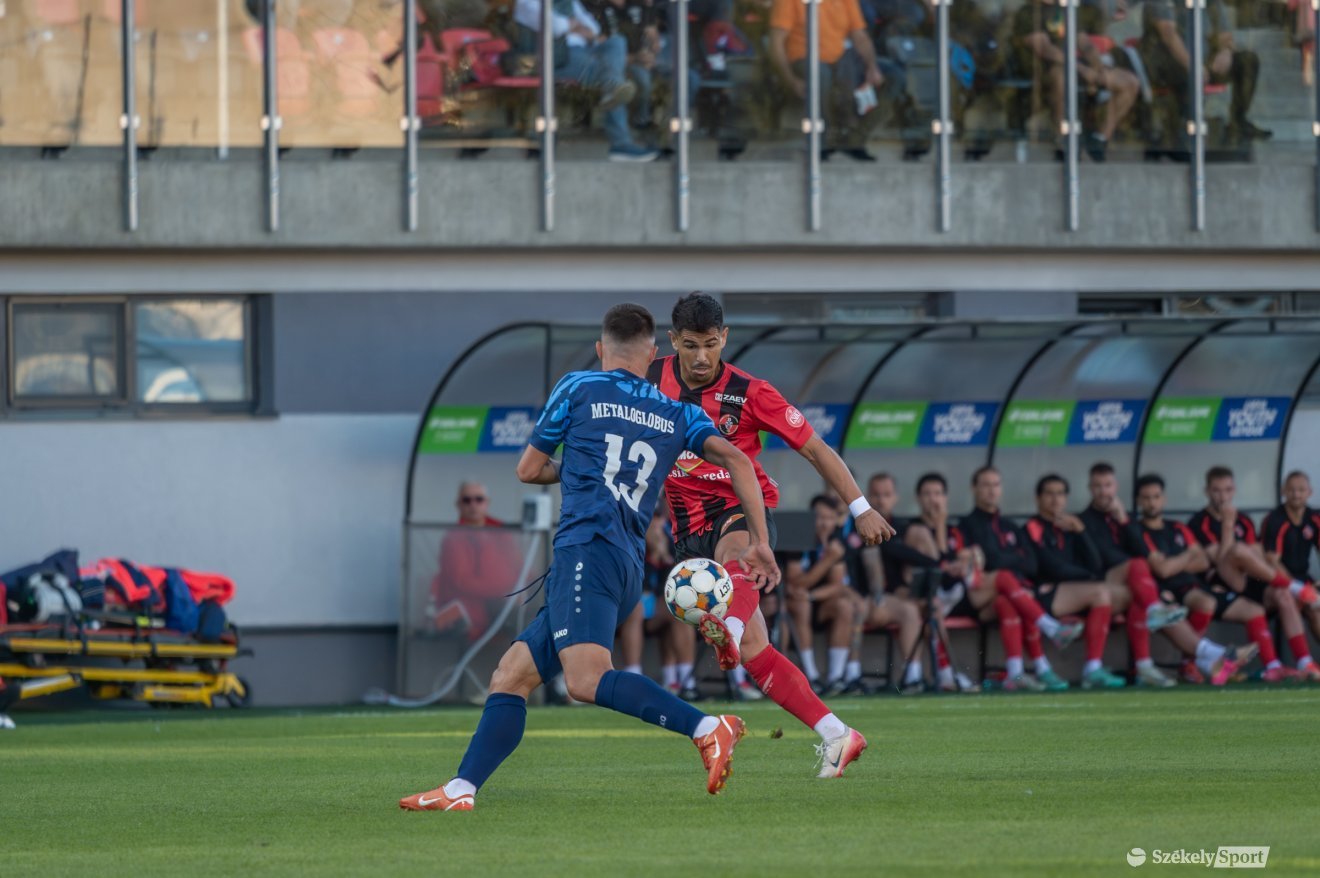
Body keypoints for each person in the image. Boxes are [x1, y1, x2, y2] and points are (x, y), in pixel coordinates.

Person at [400, 303, 779, 811]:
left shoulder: (578, 387)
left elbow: (527, 470)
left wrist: (578, 465)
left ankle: (708, 727)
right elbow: (738, 461)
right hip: (625, 565)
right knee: (511, 675)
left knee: (585, 680)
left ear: (601, 349)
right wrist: (759, 540)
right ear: (653, 353)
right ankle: (461, 789)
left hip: (586, 549)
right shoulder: (679, 411)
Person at [648, 292, 889, 779]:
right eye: (690, 345)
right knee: (757, 656)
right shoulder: (649, 379)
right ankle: (838, 735)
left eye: (710, 344)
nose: (701, 357)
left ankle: (730, 630)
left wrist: (860, 507)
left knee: (738, 556)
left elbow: (815, 448)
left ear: (725, 338)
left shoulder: (750, 392)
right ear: (672, 341)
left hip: (742, 511)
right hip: (687, 527)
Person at [903, 472, 1045, 693]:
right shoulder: (914, 529)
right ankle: (946, 675)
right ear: (918, 498)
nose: (933, 499)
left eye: (938, 494)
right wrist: (941, 532)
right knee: (936, 608)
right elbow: (938, 564)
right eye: (927, 494)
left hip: (959, 594)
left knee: (1005, 599)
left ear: (946, 498)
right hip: (932, 596)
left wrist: (966, 561)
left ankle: (1018, 672)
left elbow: (960, 564)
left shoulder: (955, 531)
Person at [958, 466, 1084, 691]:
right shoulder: (966, 525)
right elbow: (985, 562)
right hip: (979, 598)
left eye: (996, 484)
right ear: (974, 488)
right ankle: (1049, 631)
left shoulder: (1010, 526)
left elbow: (1031, 565)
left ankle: (1017, 674)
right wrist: (1010, 559)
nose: (991, 490)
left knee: (1008, 600)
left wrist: (999, 559)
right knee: (1006, 578)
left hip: (1008, 597)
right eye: (985, 485)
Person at [1188, 466, 1319, 681]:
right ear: (1207, 492)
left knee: (1283, 596)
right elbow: (1219, 561)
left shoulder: (1244, 520)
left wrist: (1249, 557)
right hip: (1222, 582)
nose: (1223, 496)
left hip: (1251, 579)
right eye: (1217, 490)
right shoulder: (1199, 522)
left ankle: (1302, 662)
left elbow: (1258, 555)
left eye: (1228, 490)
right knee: (1239, 550)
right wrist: (1227, 526)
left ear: (1234, 490)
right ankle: (1295, 586)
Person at [1133, 473, 1261, 684]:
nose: (1152, 502)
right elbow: (1162, 571)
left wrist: (1175, 562)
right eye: (1146, 498)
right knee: (1181, 608)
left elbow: (1202, 561)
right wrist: (1187, 555)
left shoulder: (1177, 527)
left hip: (1192, 585)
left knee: (1241, 607)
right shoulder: (1137, 530)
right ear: (1138, 500)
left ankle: (1268, 666)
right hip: (1162, 591)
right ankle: (1211, 659)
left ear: (1164, 498)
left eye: (1156, 496)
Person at [1080, 462, 1198, 688]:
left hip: (1132, 585)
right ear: (1090, 488)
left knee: (1141, 595)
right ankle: (1207, 653)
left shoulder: (1126, 518)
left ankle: (1145, 667)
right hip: (1103, 582)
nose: (1103, 491)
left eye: (1107, 485)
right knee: (1137, 567)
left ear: (1115, 487)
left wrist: (1124, 520)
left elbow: (1144, 549)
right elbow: (1102, 558)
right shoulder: (1085, 520)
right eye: (1097, 486)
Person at [513, 0, 661, 161]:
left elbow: (594, 28)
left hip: (586, 53)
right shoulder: (527, 2)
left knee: (617, 42)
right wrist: (574, 26)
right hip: (556, 60)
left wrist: (577, 28)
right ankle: (621, 143)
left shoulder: (569, 2)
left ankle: (613, 88)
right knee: (612, 76)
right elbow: (555, 26)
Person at [1023, 474, 1127, 689]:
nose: (1055, 499)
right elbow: (1051, 566)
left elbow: (1096, 564)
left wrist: (1081, 531)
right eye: (1049, 494)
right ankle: (1092, 668)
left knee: (1125, 595)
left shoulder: (1070, 526)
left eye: (1060, 494)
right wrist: (1090, 578)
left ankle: (1101, 667)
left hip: (1074, 592)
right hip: (1043, 595)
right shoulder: (1033, 526)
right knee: (1100, 592)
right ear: (1038, 498)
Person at [1011, 0, 1139, 161]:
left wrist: (1098, 69)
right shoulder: (1028, 12)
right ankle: (1062, 139)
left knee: (1129, 82)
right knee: (1061, 78)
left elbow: (1085, 44)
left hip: (1077, 67)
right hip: (1045, 70)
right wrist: (1082, 69)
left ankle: (1100, 139)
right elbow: (1045, 49)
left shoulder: (1066, 9)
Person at [767, 0, 893, 161]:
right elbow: (776, 43)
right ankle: (821, 144)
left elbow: (859, 36)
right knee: (821, 75)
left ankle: (855, 138)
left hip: (841, 60)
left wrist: (872, 67)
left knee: (893, 76)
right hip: (804, 60)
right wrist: (790, 80)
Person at [1139, 0, 1271, 146]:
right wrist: (1193, 66)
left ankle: (1238, 122)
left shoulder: (1210, 2)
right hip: (1167, 63)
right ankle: (1182, 129)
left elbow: (1224, 33)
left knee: (1247, 61)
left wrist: (1225, 51)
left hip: (1204, 63)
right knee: (1186, 74)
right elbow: (1168, 35)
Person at [616, 500, 702, 699]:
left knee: (679, 609)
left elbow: (674, 576)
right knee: (636, 608)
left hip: (653, 604)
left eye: (658, 519)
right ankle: (634, 679)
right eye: (652, 519)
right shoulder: (630, 533)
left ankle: (684, 682)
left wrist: (662, 553)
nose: (655, 524)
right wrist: (650, 550)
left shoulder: (671, 534)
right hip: (626, 604)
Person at [429, 482, 523, 639]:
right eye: (467, 500)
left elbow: (519, 568)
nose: (473, 505)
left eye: (479, 499)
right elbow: (462, 582)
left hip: (502, 609)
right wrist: (503, 592)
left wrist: (521, 590)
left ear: (487, 503)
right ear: (459, 505)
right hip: (473, 614)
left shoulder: (502, 535)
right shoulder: (453, 539)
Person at [1261, 470, 1320, 647]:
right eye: (1291, 490)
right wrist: (1298, 589)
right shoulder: (1275, 519)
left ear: (1310, 492)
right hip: (1273, 581)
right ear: (1283, 491)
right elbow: (1272, 561)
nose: (1296, 494)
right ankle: (1302, 659)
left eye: (1301, 490)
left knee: (1316, 610)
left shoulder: (1315, 518)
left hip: (1303, 577)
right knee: (1307, 605)